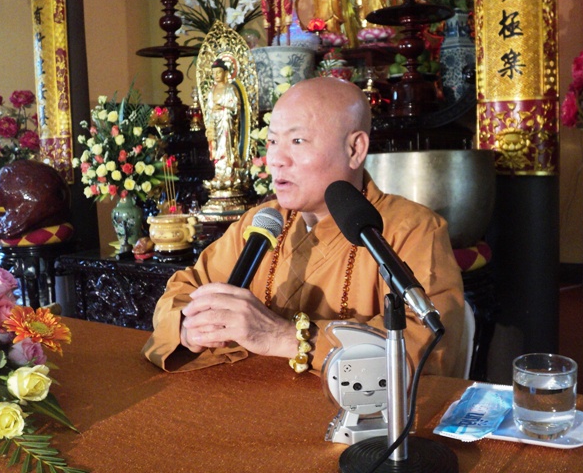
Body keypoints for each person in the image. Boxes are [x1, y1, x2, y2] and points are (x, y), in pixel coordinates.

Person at [142, 77, 465, 377]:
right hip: (249, 399)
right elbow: (185, 289)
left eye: (297, 141)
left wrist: (285, 337)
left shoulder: (410, 229)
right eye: (272, 141)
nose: (276, 159)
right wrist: (189, 327)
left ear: (355, 149)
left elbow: (429, 343)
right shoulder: (260, 222)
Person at [204, 58, 240, 189]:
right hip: (214, 122)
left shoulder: (229, 88)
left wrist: (223, 108)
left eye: (219, 72)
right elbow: (208, 109)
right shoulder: (211, 91)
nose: (216, 75)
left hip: (226, 122)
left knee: (225, 146)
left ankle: (228, 173)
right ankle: (218, 174)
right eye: (214, 73)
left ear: (225, 72)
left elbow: (236, 107)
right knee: (215, 147)